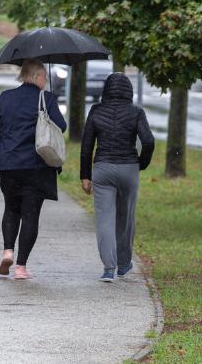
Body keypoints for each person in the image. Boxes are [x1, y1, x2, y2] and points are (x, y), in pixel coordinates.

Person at [0, 58, 67, 280]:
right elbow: (62, 126)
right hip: (37, 166)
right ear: (36, 77)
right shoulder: (47, 99)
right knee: (30, 215)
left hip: (9, 165)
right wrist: (47, 111)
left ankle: (7, 251)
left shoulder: (6, 98)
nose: (46, 80)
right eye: (44, 76)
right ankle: (21, 268)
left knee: (11, 208)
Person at [80, 72, 154, 282]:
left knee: (104, 218)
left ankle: (108, 268)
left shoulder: (96, 110)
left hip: (102, 169)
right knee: (126, 217)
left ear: (106, 90)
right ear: (128, 91)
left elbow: (86, 147)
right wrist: (142, 164)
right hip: (129, 168)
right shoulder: (136, 112)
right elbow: (148, 141)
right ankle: (124, 264)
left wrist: (85, 176)